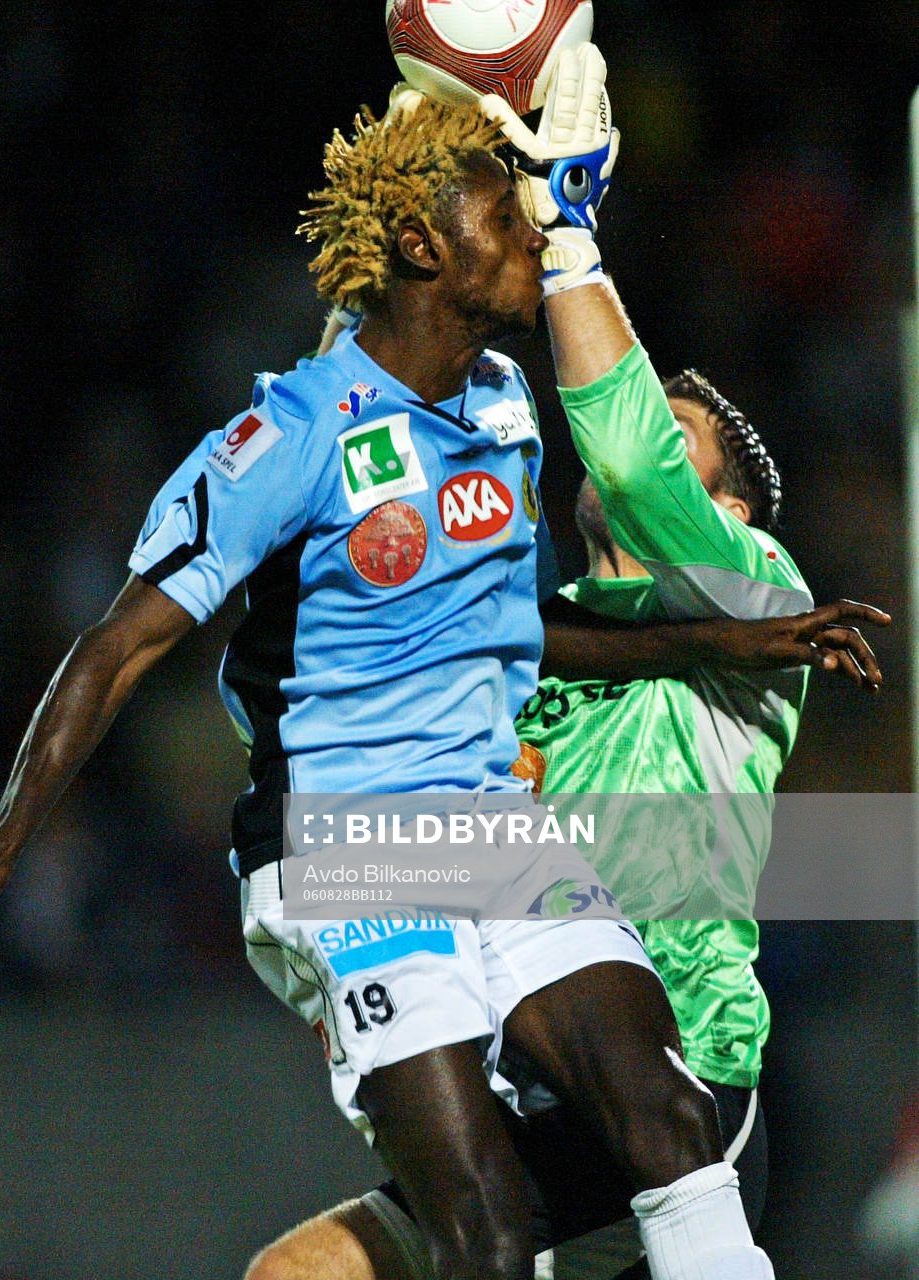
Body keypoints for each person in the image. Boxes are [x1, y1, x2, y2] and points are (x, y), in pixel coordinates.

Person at [0, 72, 781, 1280]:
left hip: (492, 822)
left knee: (670, 1125)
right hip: (345, 847)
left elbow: (510, 626)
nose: (535, 240)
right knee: (487, 1229)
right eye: (506, 221)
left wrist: (716, 639)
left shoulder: (503, 407)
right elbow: (121, 643)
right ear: (419, 245)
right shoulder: (285, 439)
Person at [238, 45, 891, 1280]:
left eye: (672, 426)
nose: (624, 427)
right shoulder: (524, 624)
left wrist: (569, 236)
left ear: (738, 516)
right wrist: (409, 163)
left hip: (676, 1072)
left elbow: (637, 462)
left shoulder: (759, 606)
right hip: (529, 1081)